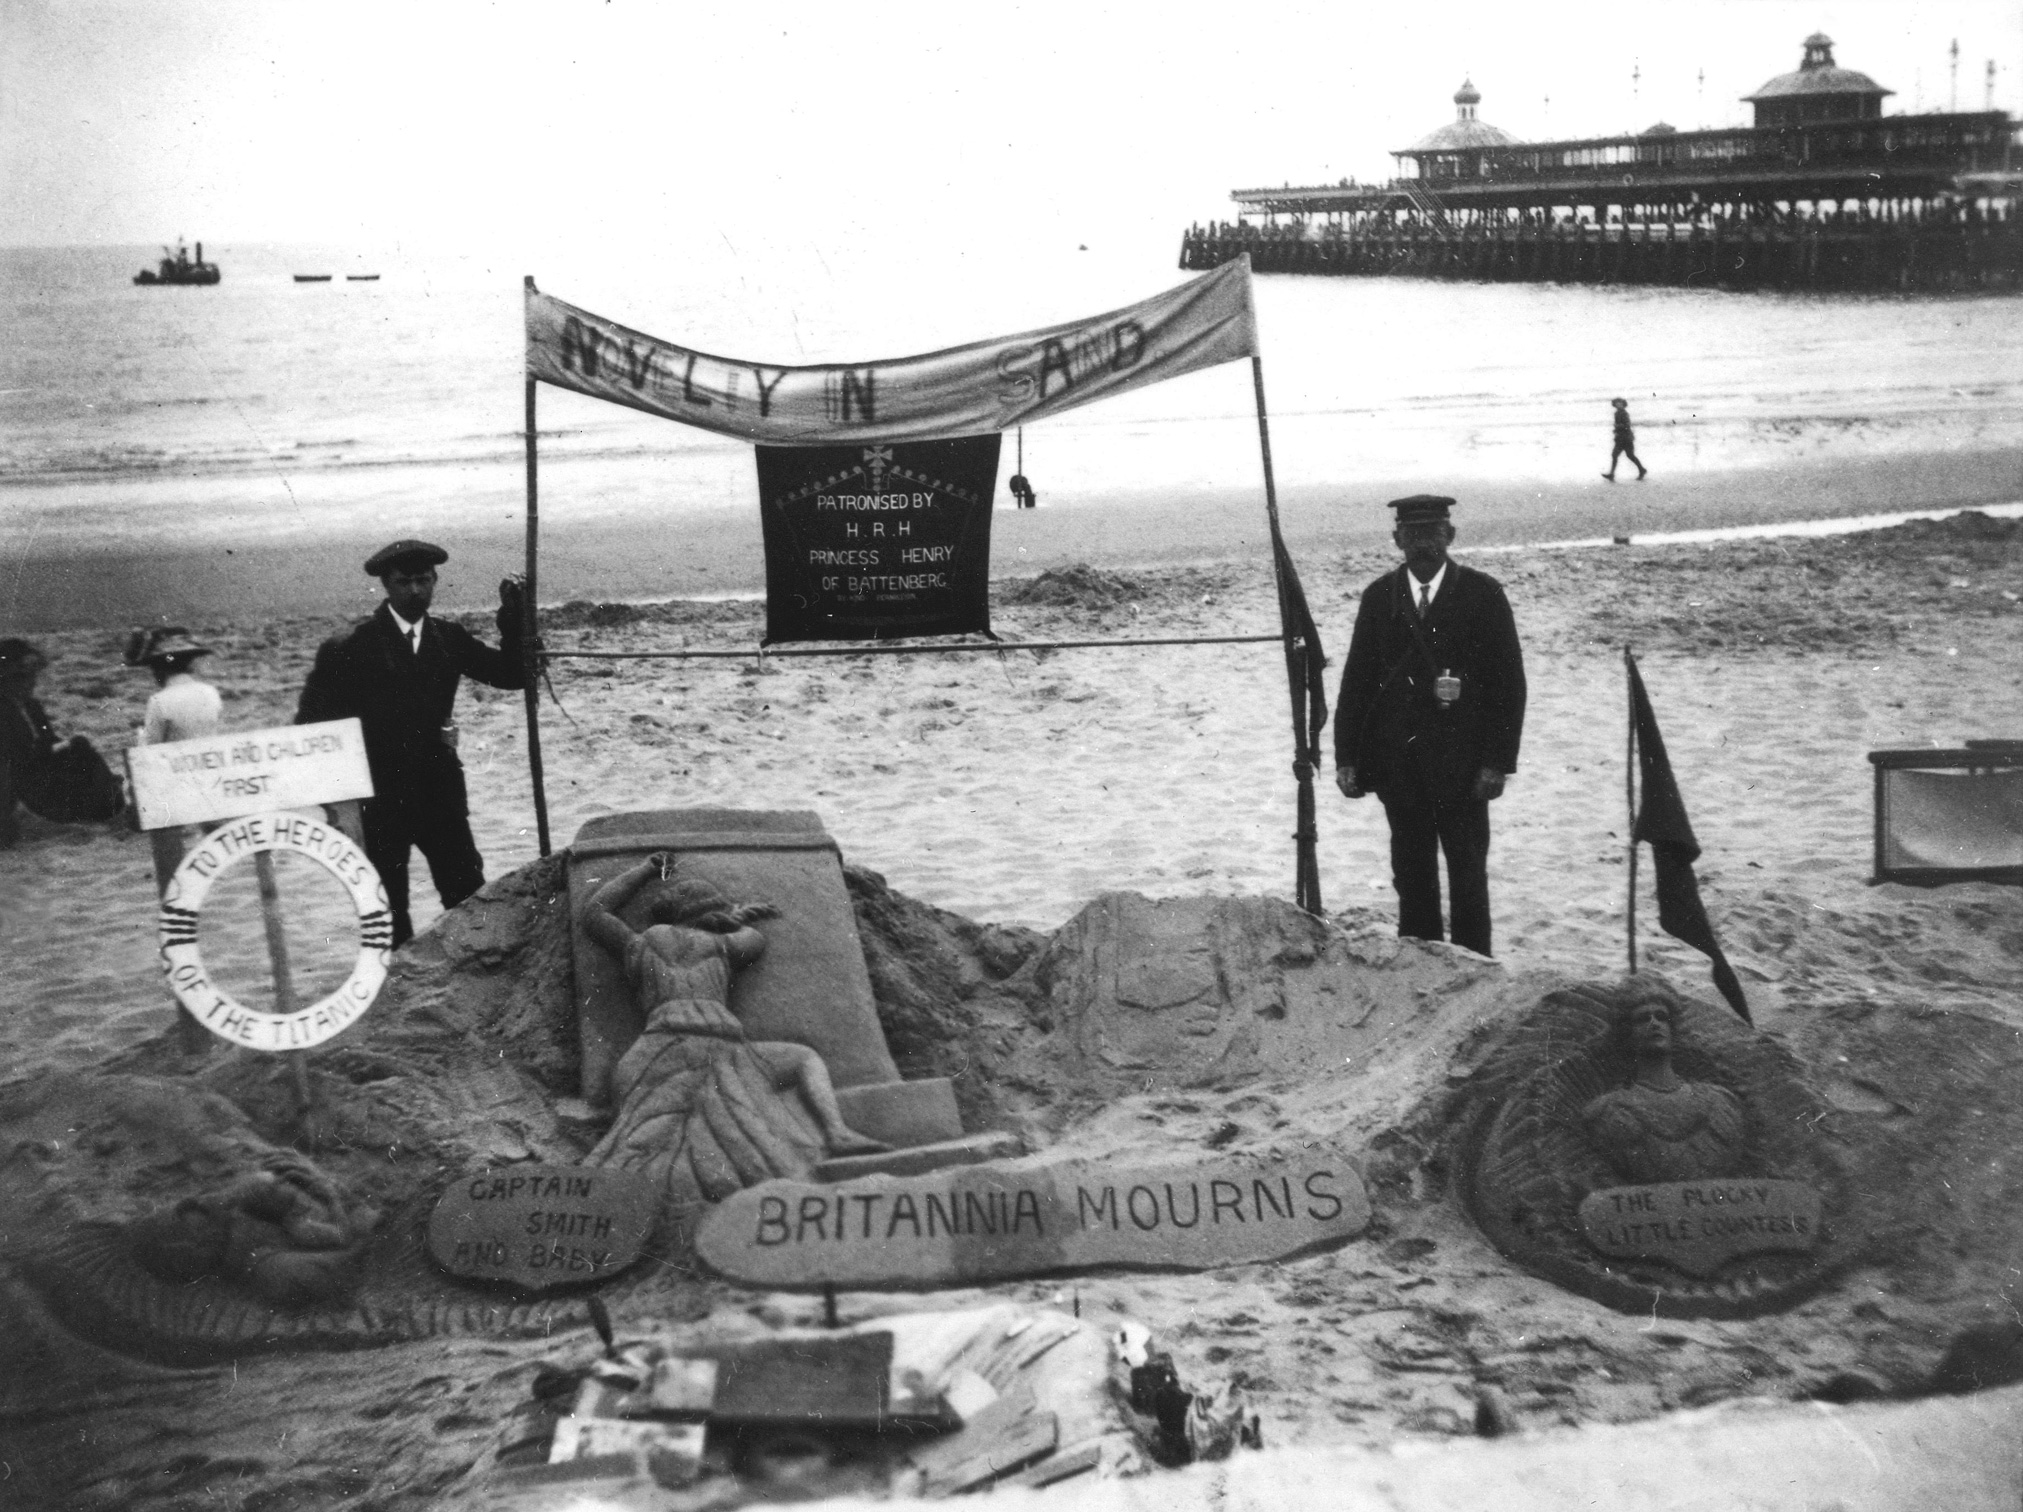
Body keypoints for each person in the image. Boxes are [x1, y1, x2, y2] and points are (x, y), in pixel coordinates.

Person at [584, 854, 887, 1213]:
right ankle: (836, 1131)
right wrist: (733, 921)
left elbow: (596, 912)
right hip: (719, 1045)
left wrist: (645, 871)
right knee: (803, 1059)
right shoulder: (723, 945)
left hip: (655, 1047)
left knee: (641, 1138)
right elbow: (754, 938)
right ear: (707, 914)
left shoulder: (638, 945)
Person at [294, 540, 528, 948]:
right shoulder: (350, 647)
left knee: (467, 894)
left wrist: (514, 616)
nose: (416, 591)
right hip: (380, 799)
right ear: (386, 586)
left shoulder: (447, 638)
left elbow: (511, 674)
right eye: (404, 582)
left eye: (424, 580)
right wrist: (337, 805)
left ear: (436, 581)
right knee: (388, 909)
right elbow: (312, 727)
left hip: (440, 794)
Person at [1333, 495, 1526, 957]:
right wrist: (1346, 758)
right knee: (1411, 869)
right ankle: (1419, 963)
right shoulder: (1379, 597)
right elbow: (1356, 681)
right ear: (1397, 539)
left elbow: (1509, 685)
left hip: (1463, 766)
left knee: (1467, 872)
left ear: (1451, 536)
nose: (1424, 545)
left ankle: (1474, 963)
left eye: (1433, 534)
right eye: (1414, 535)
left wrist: (1497, 763)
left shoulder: (1482, 593)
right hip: (1400, 764)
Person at [1579, 978, 1747, 1184]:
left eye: (1661, 1017)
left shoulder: (1721, 1103)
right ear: (1627, 1034)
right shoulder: (1606, 1112)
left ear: (1673, 1028)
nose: (1654, 1023)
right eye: (1642, 1018)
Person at [0, 638, 125, 849]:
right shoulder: (4, 710)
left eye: (31, 677)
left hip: (38, 769)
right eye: (24, 678)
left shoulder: (31, 706)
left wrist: (66, 745)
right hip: (19, 779)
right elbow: (15, 754)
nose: (32, 683)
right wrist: (55, 748)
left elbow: (48, 738)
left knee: (84, 754)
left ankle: (108, 807)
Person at [125, 626, 224, 886]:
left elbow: (151, 748)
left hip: (175, 780)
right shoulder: (210, 693)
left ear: (159, 669)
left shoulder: (160, 700)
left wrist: (138, 735)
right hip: (208, 774)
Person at [1604, 397, 1647, 481]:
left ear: (1623, 404)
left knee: (1628, 455)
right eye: (1617, 403)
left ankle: (1641, 470)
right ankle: (1612, 474)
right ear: (1614, 404)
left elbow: (1627, 425)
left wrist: (1617, 427)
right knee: (1618, 455)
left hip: (1626, 438)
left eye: (1620, 403)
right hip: (1621, 438)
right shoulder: (1617, 413)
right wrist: (1616, 429)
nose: (1618, 404)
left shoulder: (1624, 413)